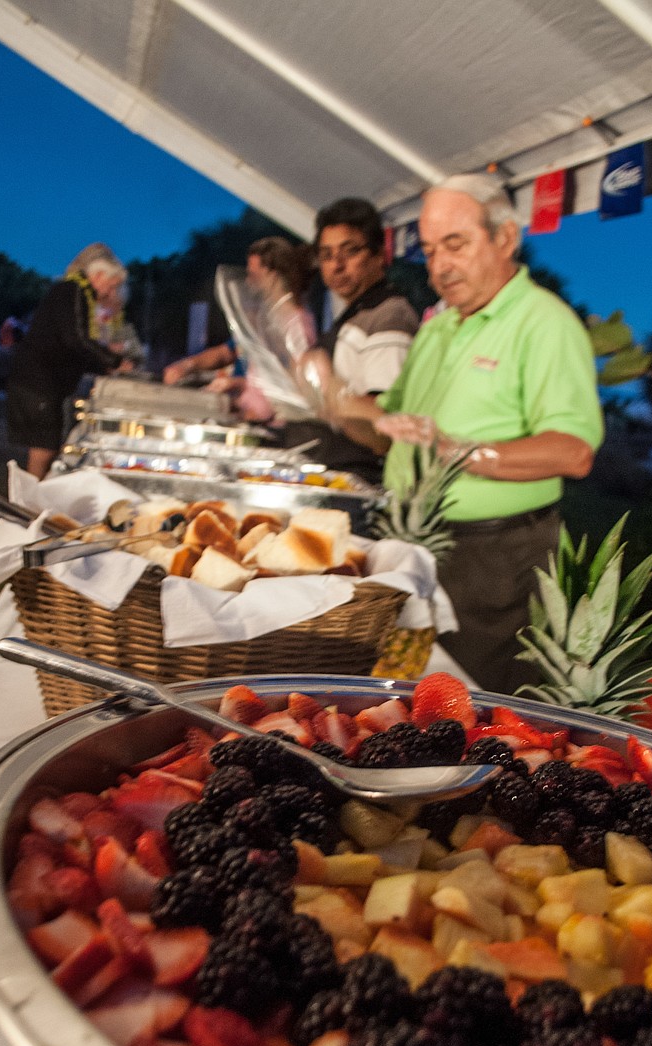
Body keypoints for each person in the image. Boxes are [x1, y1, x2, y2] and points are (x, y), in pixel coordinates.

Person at [317, 175, 603, 694]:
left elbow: (573, 451)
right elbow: (388, 433)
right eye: (429, 251)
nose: (440, 266)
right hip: (414, 541)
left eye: (456, 244)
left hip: (494, 558)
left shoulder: (544, 323)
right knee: (407, 696)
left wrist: (459, 452)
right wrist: (326, 390)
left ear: (506, 238)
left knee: (478, 704)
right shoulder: (437, 328)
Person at [290, 197, 419, 483]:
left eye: (350, 252)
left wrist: (327, 386)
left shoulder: (389, 317)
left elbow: (383, 426)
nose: (337, 265)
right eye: (327, 255)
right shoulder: (356, 313)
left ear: (379, 254)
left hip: (359, 479)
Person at [6, 242, 132, 479]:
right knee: (44, 446)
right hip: (38, 380)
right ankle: (30, 495)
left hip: (45, 381)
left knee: (48, 445)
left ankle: (36, 490)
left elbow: (75, 345)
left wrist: (103, 364)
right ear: (98, 275)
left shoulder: (77, 294)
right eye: (111, 285)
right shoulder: (72, 291)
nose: (109, 292)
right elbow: (76, 339)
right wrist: (114, 361)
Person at [163, 237, 315, 420]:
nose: (248, 282)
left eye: (253, 275)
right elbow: (230, 353)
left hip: (272, 427)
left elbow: (290, 392)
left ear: (272, 276)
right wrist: (188, 365)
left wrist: (238, 389)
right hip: (249, 415)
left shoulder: (296, 326)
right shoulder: (265, 320)